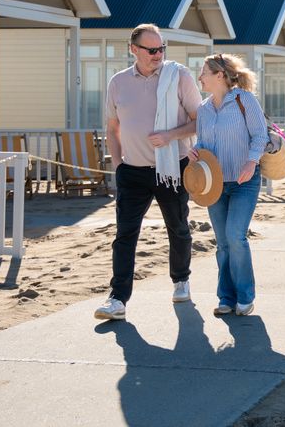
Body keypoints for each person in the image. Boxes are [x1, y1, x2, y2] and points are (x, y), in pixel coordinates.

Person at [95, 24, 202, 321]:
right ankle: (117, 299)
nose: (158, 55)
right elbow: (113, 128)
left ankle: (181, 279)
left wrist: (170, 135)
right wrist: (118, 164)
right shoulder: (118, 82)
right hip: (133, 172)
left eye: (161, 49)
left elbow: (199, 121)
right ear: (134, 49)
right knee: (125, 235)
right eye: (151, 50)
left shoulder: (178, 76)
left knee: (178, 228)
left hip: (172, 168)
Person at [189, 53, 268, 317]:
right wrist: (195, 151)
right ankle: (226, 297)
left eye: (204, 73)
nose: (200, 77)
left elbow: (260, 135)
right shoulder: (203, 109)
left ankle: (245, 297)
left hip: (245, 181)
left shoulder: (245, 100)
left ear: (219, 75)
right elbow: (204, 144)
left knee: (236, 236)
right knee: (222, 243)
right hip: (214, 184)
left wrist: (251, 162)